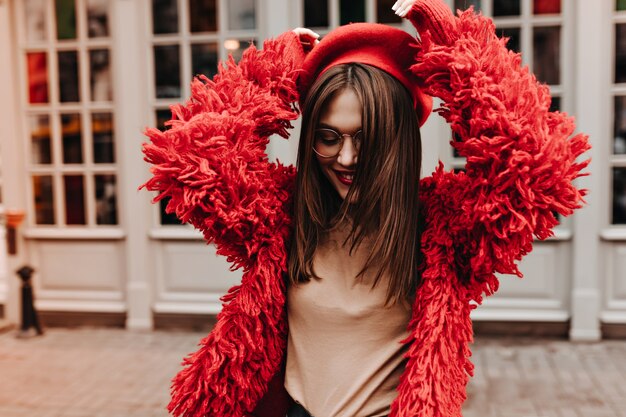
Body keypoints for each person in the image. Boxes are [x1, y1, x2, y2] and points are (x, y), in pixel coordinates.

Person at [141, 0, 589, 416]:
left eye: (367, 139)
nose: (347, 159)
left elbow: (538, 167)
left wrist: (452, 47)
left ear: (399, 139)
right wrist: (275, 71)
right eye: (329, 137)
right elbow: (187, 156)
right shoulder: (283, 219)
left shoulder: (444, 232)